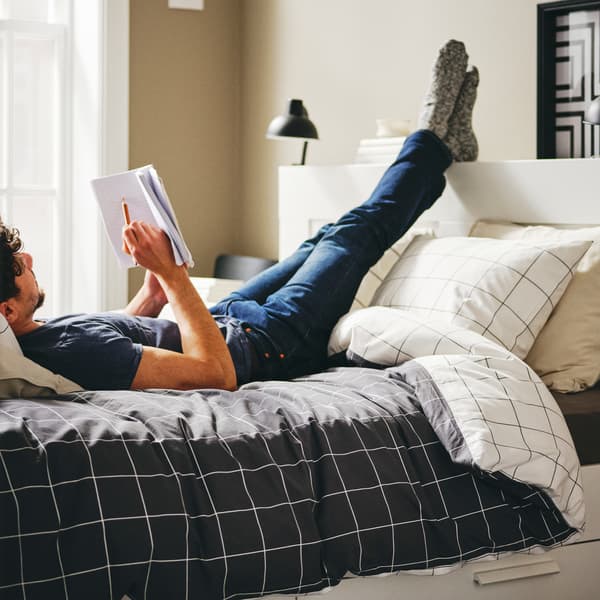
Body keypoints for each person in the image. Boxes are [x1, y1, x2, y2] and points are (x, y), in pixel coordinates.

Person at [0, 40, 479, 392]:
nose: (32, 260)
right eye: (21, 267)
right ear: (7, 310)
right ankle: (430, 137)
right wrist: (171, 275)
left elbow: (116, 335)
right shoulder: (67, 353)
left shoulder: (36, 343)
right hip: (267, 343)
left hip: (223, 321)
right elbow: (216, 375)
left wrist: (153, 292)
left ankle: (444, 146)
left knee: (325, 237)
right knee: (354, 235)